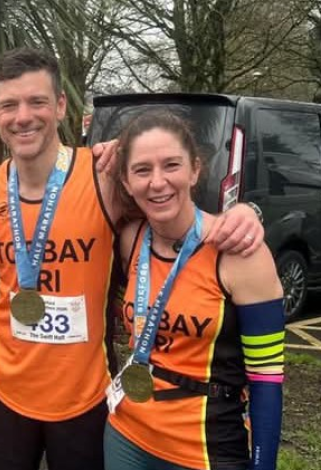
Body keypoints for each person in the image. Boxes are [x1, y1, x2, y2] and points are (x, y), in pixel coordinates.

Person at [0, 48, 265, 470]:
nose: (24, 116)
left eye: (37, 102)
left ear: (61, 106)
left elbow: (171, 209)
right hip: (4, 389)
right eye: (10, 105)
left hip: (86, 398)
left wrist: (243, 213)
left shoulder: (103, 177)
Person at [104, 110, 283, 470]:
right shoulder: (130, 238)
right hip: (126, 434)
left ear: (195, 169)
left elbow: (268, 379)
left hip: (206, 445)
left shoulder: (240, 254)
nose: (158, 182)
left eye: (171, 165)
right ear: (125, 182)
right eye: (141, 170)